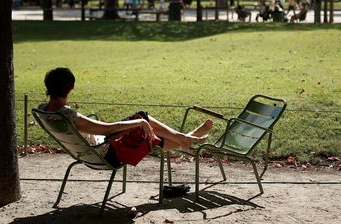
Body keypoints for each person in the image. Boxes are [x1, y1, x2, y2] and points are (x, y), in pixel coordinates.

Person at [39, 68, 214, 165]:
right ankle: (186, 138)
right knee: (142, 122)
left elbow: (100, 129)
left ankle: (185, 138)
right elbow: (107, 129)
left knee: (141, 121)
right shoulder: (68, 115)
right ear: (70, 88)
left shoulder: (43, 110)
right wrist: (139, 122)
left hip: (88, 152)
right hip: (105, 152)